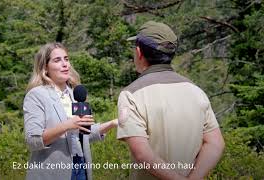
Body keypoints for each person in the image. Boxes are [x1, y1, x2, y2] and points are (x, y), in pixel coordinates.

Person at [116, 21, 225, 180]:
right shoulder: (196, 91)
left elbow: (141, 153)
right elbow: (215, 143)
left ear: (139, 52)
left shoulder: (131, 94)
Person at [23, 42, 117, 180]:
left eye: (66, 59)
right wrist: (67, 125)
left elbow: (83, 135)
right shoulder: (36, 95)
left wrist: (112, 124)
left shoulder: (75, 94)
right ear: (45, 67)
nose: (65, 64)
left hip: (81, 167)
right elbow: (33, 140)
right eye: (57, 60)